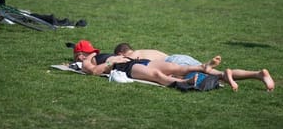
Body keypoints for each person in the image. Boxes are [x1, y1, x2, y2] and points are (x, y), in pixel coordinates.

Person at [114, 43, 275, 92]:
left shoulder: (133, 54)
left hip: (174, 62)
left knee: (211, 74)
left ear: (122, 52)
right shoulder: (147, 49)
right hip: (180, 57)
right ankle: (258, 74)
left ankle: (225, 75)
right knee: (211, 71)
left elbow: (132, 64)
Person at [73, 40, 217, 87]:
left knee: (175, 67)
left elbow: (94, 69)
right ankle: (186, 81)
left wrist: (111, 61)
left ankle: (202, 67)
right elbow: (94, 71)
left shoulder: (90, 59)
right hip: (126, 66)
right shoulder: (87, 62)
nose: (78, 59)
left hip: (132, 62)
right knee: (157, 75)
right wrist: (111, 62)